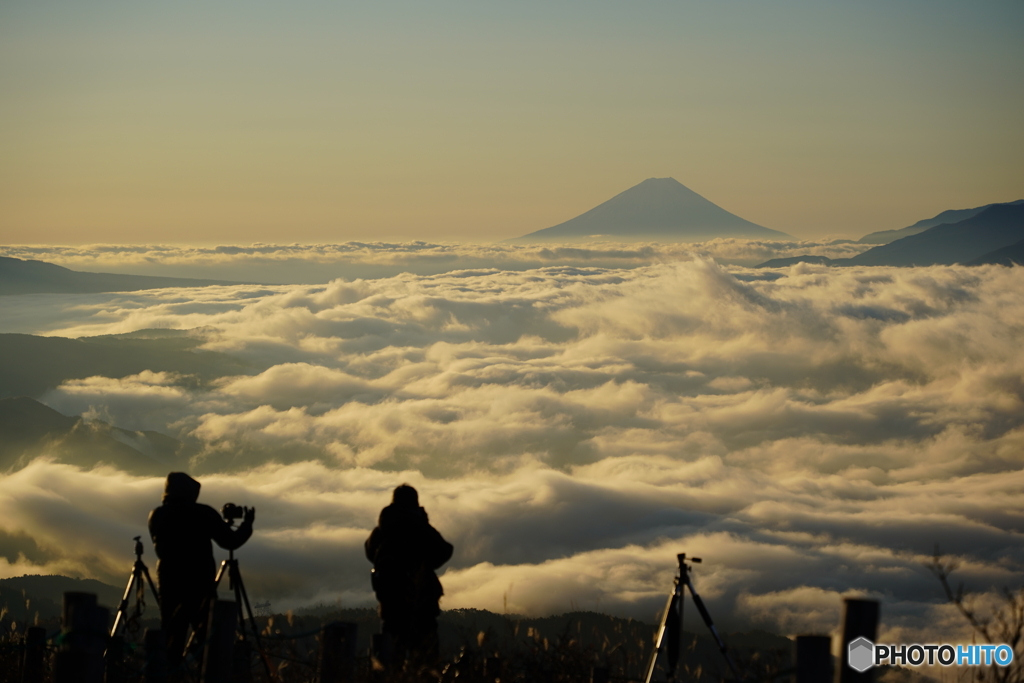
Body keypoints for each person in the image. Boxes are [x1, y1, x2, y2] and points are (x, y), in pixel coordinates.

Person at [148, 472, 255, 671]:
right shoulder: (202, 513)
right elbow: (229, 541)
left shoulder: (156, 515)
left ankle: (169, 675)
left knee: (171, 637)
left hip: (169, 583)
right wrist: (247, 526)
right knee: (209, 638)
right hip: (200, 584)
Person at [365, 484, 453, 666]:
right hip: (422, 605)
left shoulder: (382, 529)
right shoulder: (419, 528)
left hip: (390, 605)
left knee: (389, 661)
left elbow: (369, 552)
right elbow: (444, 551)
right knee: (426, 662)